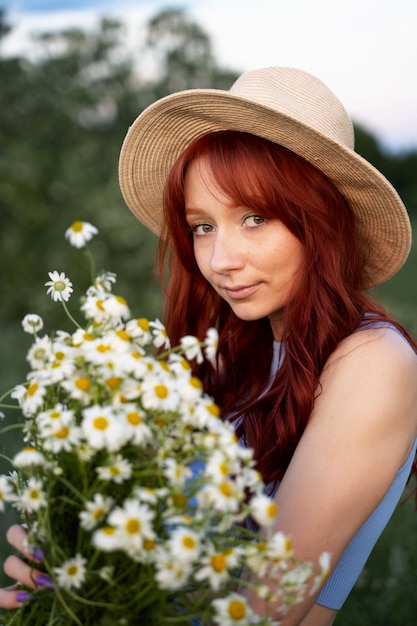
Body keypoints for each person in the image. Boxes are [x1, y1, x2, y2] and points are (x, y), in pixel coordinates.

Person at [1, 66, 417, 625]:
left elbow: (262, 610)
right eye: (202, 226)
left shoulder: (372, 362)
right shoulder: (229, 356)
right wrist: (72, 569)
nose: (221, 261)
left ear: (322, 223)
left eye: (254, 218)